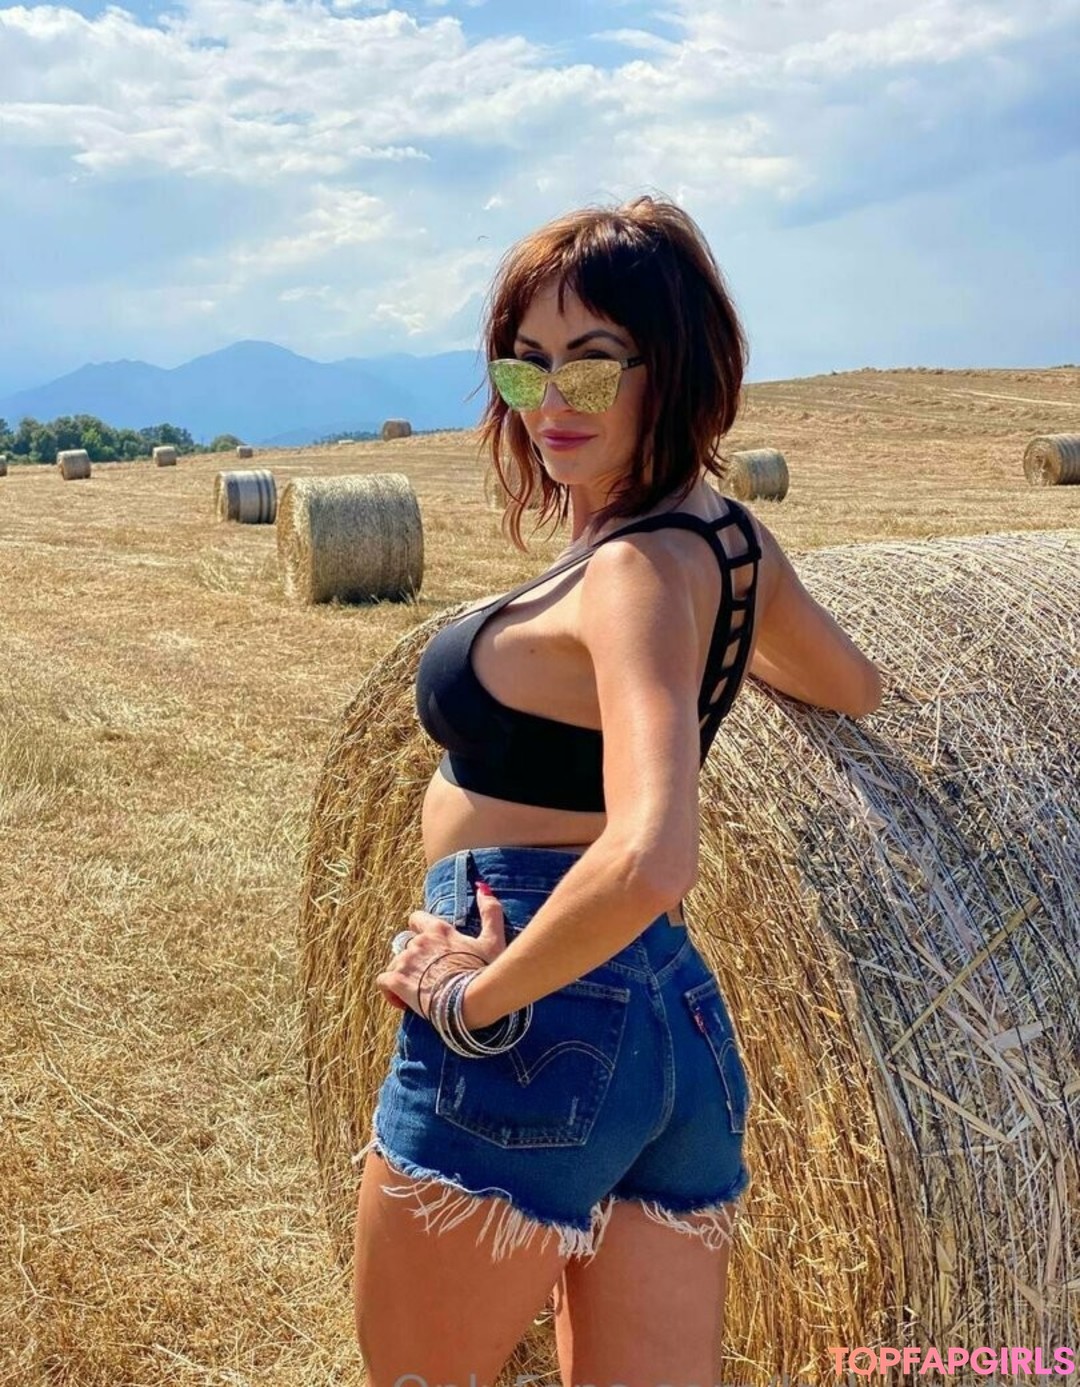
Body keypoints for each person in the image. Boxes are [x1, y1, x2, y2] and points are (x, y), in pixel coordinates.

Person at [352, 193, 883, 1386]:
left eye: (592, 363)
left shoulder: (634, 569)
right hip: (668, 1023)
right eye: (524, 363)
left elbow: (650, 854)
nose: (551, 401)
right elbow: (851, 685)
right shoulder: (727, 544)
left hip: (536, 1006)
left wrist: (475, 1002)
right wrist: (698, 661)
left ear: (673, 366)